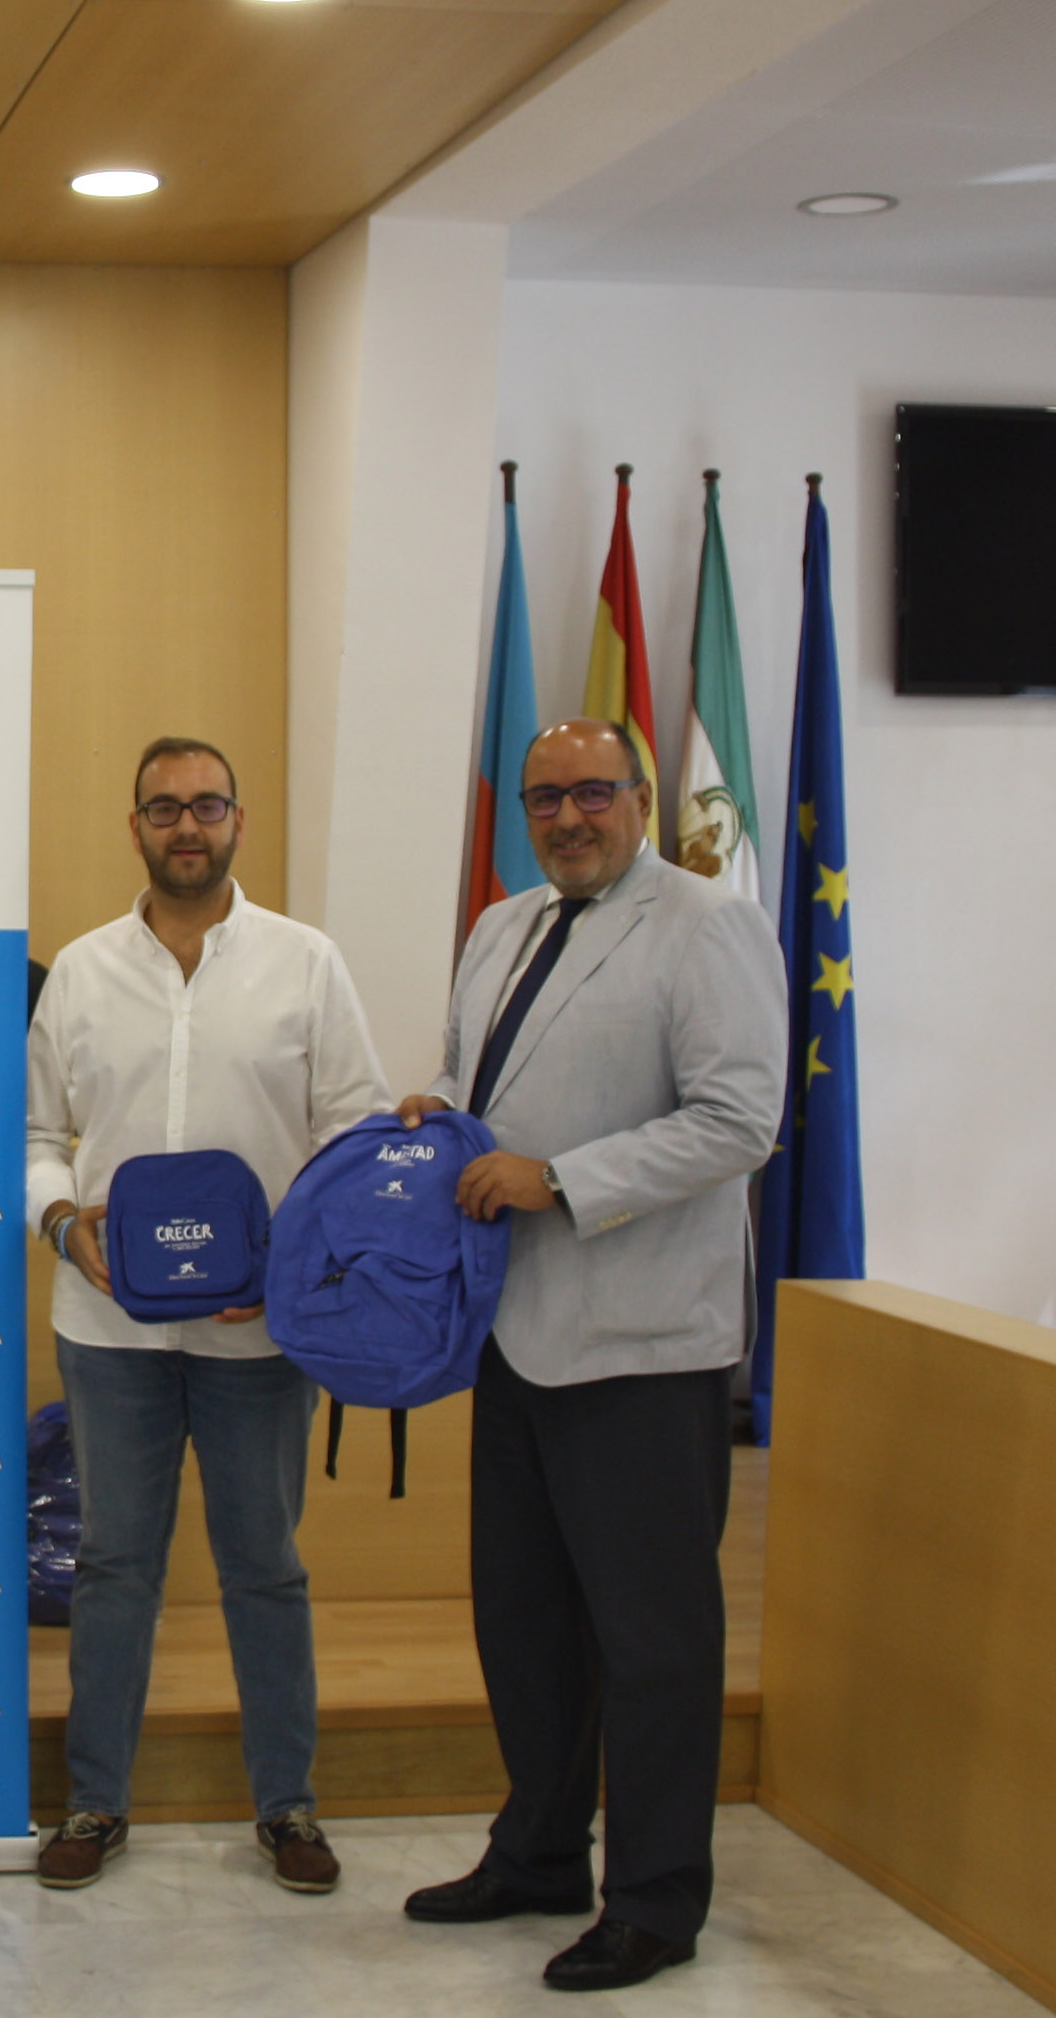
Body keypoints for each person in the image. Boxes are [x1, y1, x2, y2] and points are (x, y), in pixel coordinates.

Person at [397, 718, 786, 1994]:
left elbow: (739, 1121)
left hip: (643, 1346)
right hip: (511, 1333)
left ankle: (658, 1899)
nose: (567, 817)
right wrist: (437, 1111)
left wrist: (559, 1179)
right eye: (544, 798)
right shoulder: (501, 925)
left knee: (653, 1639)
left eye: (592, 793)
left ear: (641, 796)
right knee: (525, 1623)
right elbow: (480, 1075)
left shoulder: (707, 925)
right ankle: (539, 1854)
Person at [27, 737, 392, 1895]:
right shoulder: (81, 972)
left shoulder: (306, 963)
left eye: (207, 805)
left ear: (238, 819)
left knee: (264, 1567)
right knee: (113, 1564)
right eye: (165, 808)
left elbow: (356, 1132)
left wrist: (293, 1263)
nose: (187, 825)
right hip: (110, 1331)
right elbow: (33, 1136)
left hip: (260, 1333)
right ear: (134, 825)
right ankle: (95, 1802)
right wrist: (62, 1223)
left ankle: (287, 1806)